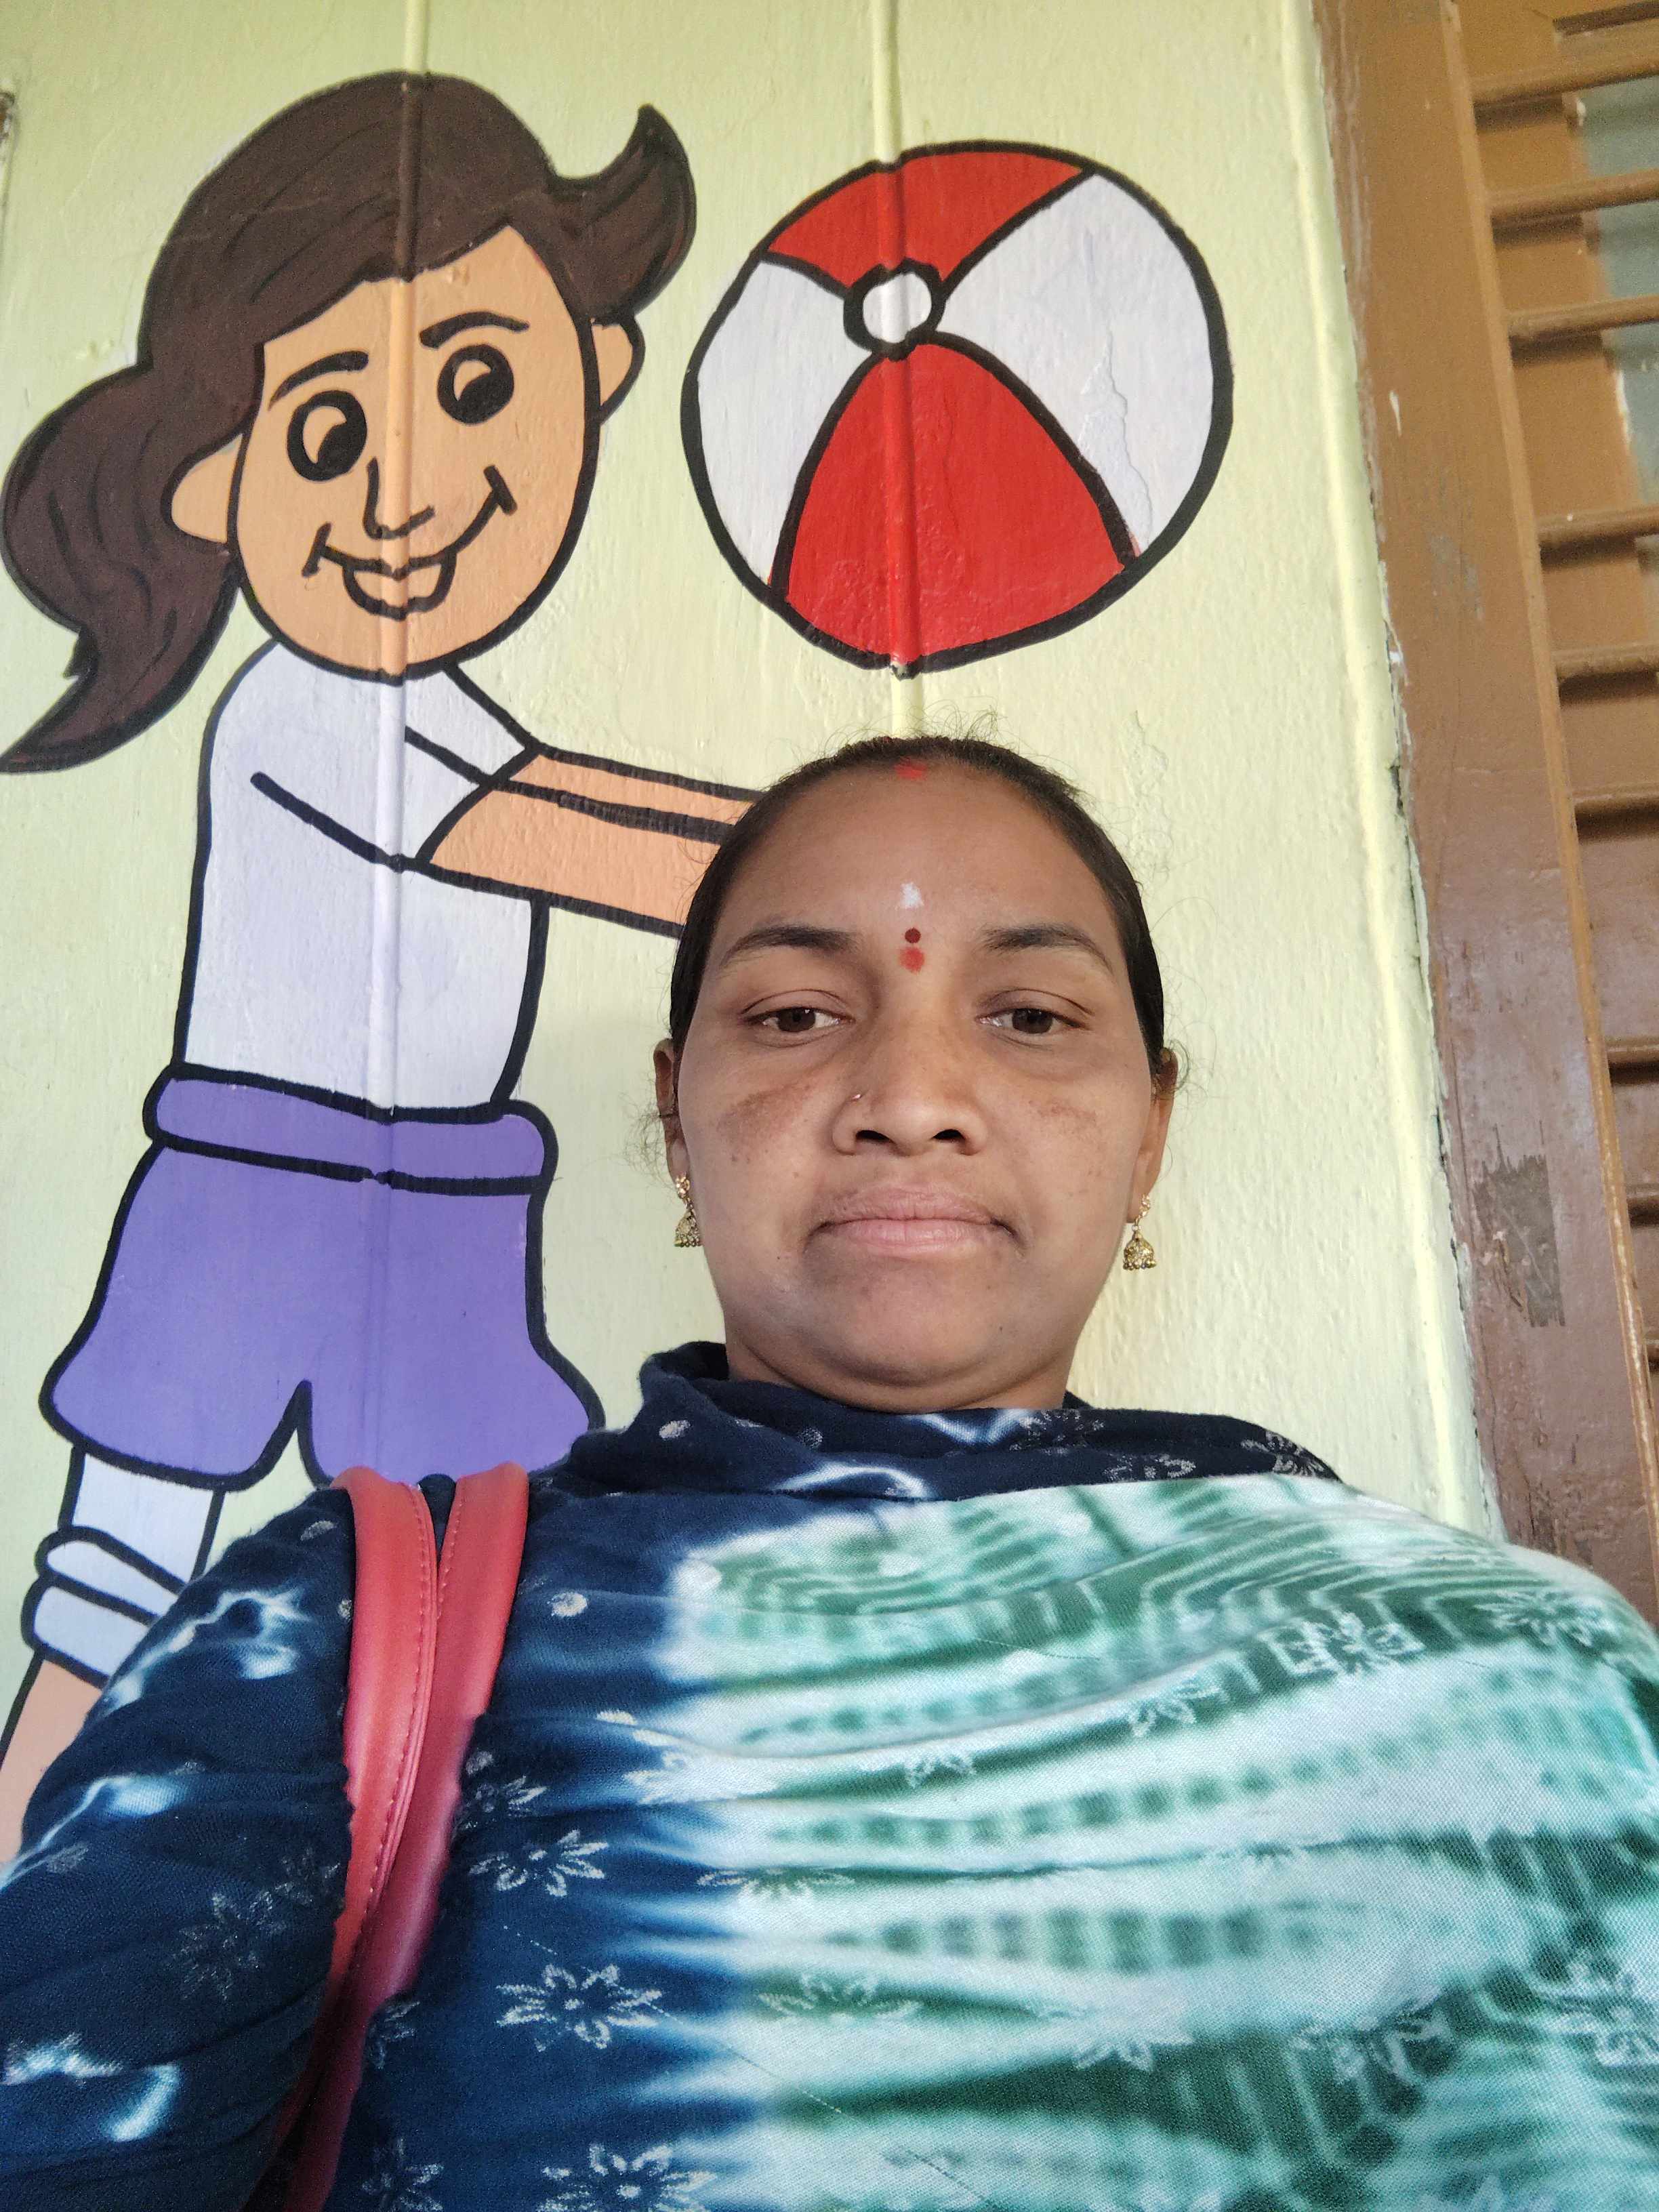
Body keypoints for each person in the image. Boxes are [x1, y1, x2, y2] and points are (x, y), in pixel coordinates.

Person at [5, 733, 1659, 2212]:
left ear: (1151, 1129)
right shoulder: (349, 1620)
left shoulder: (1509, 1674)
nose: (911, 1100)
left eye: (1030, 1018)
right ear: (676, 1118)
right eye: (796, 1015)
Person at [0, 72, 750, 1848]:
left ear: (597, 371)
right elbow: (557, 833)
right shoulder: (310, 715)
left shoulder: (452, 713)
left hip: (449, 1205)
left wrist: (828, 838)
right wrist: (839, 852)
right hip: (250, 1188)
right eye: (327, 434)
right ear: (218, 490)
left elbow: (571, 797)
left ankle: (446, 1893)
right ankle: (31, 1837)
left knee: (495, 1574)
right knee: (124, 1560)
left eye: (477, 386)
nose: (403, 489)